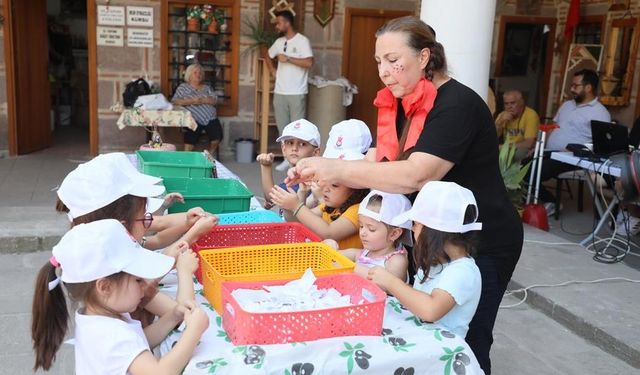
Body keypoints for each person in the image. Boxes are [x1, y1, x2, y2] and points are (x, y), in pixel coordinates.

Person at [287, 16, 522, 374]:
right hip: (430, 233)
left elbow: (415, 174)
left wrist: (334, 169)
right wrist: (315, 168)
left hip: (478, 240)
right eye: (379, 61)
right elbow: (378, 158)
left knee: (468, 339)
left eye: (393, 60)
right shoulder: (400, 101)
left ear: (425, 57)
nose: (384, 71)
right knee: (425, 326)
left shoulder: (456, 104)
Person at [55, 153, 217, 326]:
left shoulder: (97, 250)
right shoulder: (118, 273)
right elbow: (181, 313)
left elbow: (158, 231)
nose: (149, 222)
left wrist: (187, 224)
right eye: (145, 218)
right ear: (123, 225)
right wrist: (190, 243)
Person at [31, 219, 209, 374]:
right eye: (138, 280)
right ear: (105, 287)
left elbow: (139, 342)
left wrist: (172, 316)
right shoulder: (114, 335)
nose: (145, 285)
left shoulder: (95, 315)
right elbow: (160, 372)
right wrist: (194, 331)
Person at [367, 181, 482, 338]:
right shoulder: (436, 262)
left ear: (433, 231)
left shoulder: (463, 271)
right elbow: (418, 298)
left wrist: (391, 282)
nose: (413, 229)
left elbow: (430, 310)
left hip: (439, 352)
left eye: (416, 224)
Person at [537, 69, 611, 216]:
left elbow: (601, 146)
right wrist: (539, 147)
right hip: (549, 152)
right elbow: (554, 127)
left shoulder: (600, 113)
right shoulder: (567, 105)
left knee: (538, 170)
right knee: (522, 167)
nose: (571, 89)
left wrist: (575, 150)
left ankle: (551, 202)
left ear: (588, 87)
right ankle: (541, 201)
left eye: (575, 86)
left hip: (573, 157)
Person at [272, 148, 368, 250]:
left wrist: (296, 206)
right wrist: (290, 203)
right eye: (324, 182)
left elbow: (329, 233)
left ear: (355, 189)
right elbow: (298, 221)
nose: (325, 189)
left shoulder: (357, 211)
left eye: (334, 185)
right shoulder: (328, 206)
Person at [266, 10, 314, 171]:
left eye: (279, 22)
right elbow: (267, 54)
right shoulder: (279, 42)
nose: (277, 25)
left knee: (298, 132)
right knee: (284, 129)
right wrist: (273, 70)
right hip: (280, 91)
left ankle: (299, 162)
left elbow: (309, 62)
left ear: (287, 23)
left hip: (297, 91)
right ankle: (288, 160)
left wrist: (288, 59)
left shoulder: (302, 41)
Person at [330, 190, 411, 282]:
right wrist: (329, 246)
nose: (362, 233)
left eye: (371, 229)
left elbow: (390, 286)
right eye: (361, 226)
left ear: (394, 234)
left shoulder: (396, 261)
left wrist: (353, 267)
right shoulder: (363, 253)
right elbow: (333, 256)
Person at [256, 119, 320, 209]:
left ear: (315, 153)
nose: (294, 148)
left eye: (302, 144)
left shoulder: (317, 183)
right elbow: (271, 198)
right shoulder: (290, 180)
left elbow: (303, 212)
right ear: (284, 149)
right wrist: (266, 166)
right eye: (290, 143)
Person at [172, 63, 223, 156]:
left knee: (217, 136)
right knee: (191, 137)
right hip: (193, 118)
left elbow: (215, 100)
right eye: (195, 72)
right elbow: (175, 101)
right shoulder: (183, 87)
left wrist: (204, 99)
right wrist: (192, 100)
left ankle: (210, 155)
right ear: (189, 75)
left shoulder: (207, 88)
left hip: (210, 118)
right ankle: (186, 157)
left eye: (200, 73)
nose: (198, 75)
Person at [495, 90, 540, 160]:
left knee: (516, 154)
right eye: (506, 104)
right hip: (506, 148)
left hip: (523, 149)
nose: (509, 106)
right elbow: (492, 137)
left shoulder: (531, 115)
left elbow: (529, 143)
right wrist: (499, 122)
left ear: (521, 103)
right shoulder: (502, 115)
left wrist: (504, 147)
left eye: (512, 103)